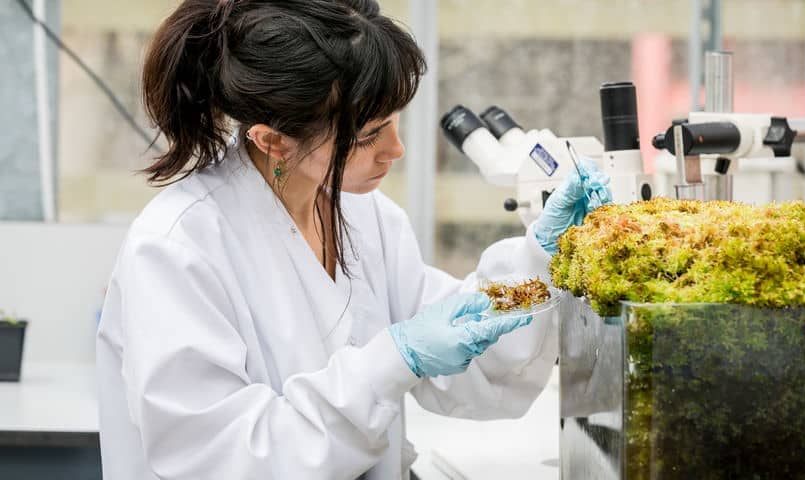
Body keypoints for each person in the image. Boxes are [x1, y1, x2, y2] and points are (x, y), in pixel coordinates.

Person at [95, 1, 612, 479]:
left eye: (392, 123)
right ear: (272, 140)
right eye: (367, 137)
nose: (397, 150)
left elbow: (461, 349)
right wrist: (392, 359)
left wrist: (544, 257)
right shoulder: (175, 249)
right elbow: (226, 457)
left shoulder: (366, 217)